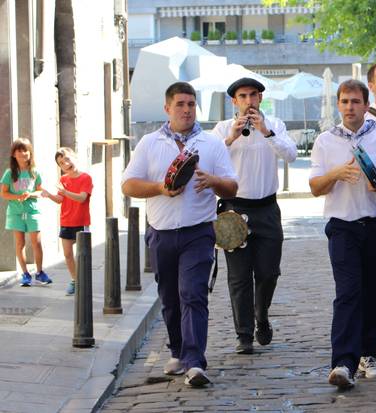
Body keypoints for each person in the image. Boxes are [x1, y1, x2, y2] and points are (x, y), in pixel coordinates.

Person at [121, 82, 238, 387]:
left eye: (191, 104)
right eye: (181, 104)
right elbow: (129, 185)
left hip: (198, 231)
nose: (187, 110)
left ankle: (195, 361)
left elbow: (232, 186)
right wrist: (159, 188)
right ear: (167, 108)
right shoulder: (149, 143)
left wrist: (212, 180)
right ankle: (177, 350)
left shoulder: (211, 143)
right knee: (170, 297)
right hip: (160, 232)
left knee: (193, 294)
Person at [309, 79, 376, 390]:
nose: (350, 107)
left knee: (372, 290)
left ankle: (370, 353)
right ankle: (343, 361)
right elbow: (315, 187)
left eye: (356, 101)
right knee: (347, 291)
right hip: (342, 225)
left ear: (366, 105)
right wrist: (336, 174)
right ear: (338, 105)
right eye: (345, 101)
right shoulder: (325, 141)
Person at [211, 77, 297, 355]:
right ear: (234, 102)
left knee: (269, 272)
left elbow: (292, 155)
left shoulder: (275, 125)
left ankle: (262, 315)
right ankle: (244, 335)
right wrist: (230, 138)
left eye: (253, 95)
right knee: (238, 277)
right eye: (242, 96)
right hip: (234, 209)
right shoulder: (222, 129)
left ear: (260, 98)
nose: (248, 101)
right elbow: (206, 160)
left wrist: (267, 132)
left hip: (267, 208)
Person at [41, 148, 93, 295]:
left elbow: (82, 198)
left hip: (81, 221)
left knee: (82, 255)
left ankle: (84, 281)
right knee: (68, 254)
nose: (66, 164)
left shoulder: (86, 178)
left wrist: (65, 192)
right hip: (66, 221)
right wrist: (49, 195)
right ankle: (75, 280)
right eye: (61, 163)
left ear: (74, 157)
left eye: (67, 159)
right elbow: (60, 200)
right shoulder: (63, 180)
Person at [0, 138, 51, 287]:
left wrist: (30, 194)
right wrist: (17, 197)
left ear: (30, 153)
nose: (23, 153)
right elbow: (3, 193)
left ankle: (40, 272)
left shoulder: (34, 172)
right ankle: (25, 274)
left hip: (32, 211)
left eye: (25, 150)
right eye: (19, 150)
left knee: (37, 242)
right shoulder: (9, 173)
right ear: (14, 154)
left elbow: (40, 190)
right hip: (15, 213)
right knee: (20, 243)